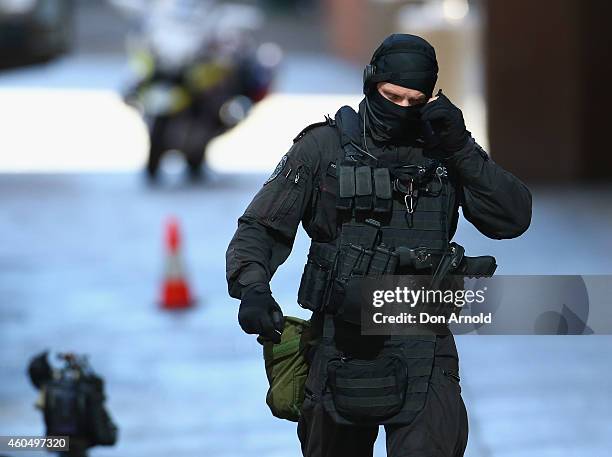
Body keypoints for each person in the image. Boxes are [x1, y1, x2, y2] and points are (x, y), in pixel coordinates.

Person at [226, 34, 532, 457]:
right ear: (371, 83)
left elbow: (512, 218)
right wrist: (253, 286)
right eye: (391, 96)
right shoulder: (324, 148)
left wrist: (461, 147)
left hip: (425, 345)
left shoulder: (445, 150)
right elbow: (260, 227)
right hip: (341, 347)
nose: (401, 109)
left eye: (414, 100)